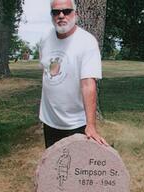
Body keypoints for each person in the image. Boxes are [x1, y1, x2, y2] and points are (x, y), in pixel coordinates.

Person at [39, 0, 108, 148]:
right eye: (56, 12)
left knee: (76, 167)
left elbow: (88, 84)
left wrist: (90, 125)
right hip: (49, 121)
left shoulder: (87, 42)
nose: (61, 15)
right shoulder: (45, 38)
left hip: (76, 123)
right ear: (51, 15)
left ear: (75, 13)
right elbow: (46, 71)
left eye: (66, 11)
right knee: (53, 167)